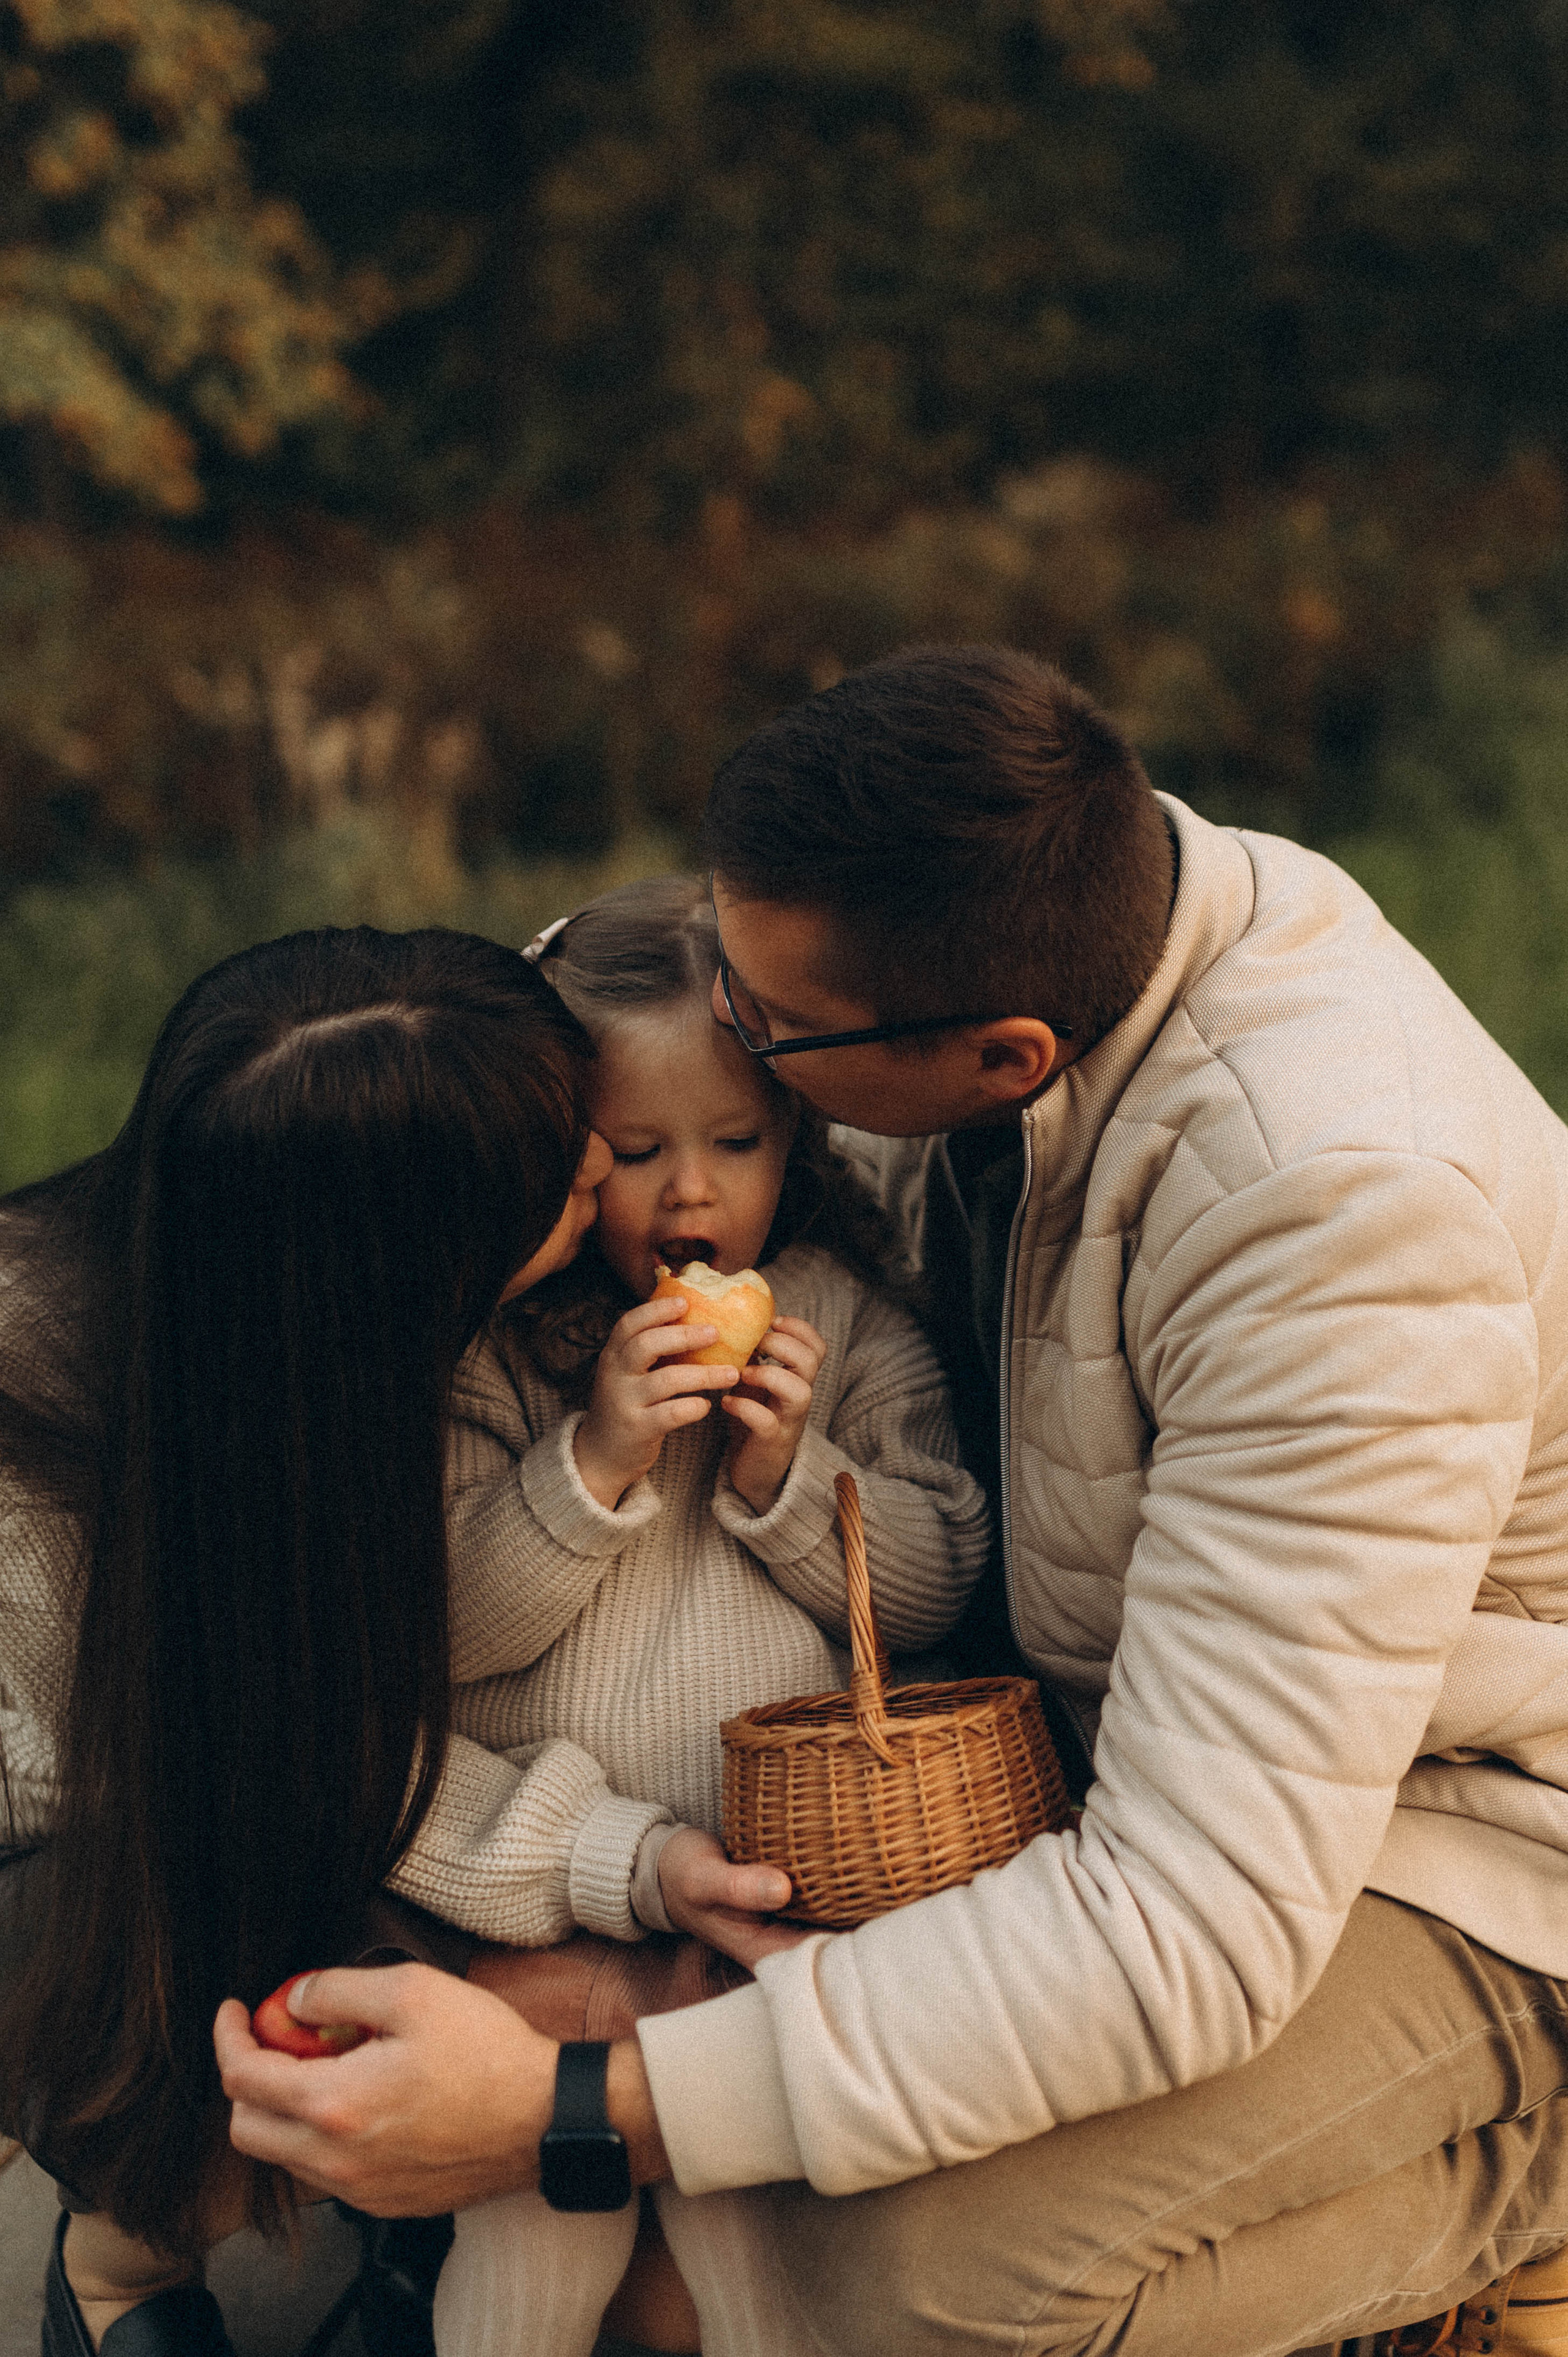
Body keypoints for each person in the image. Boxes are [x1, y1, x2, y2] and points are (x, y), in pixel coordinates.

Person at [216, 646, 1568, 2357]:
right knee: (731, 2143)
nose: (726, 1038)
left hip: (1461, 1840)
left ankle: (1518, 2178)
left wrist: (575, 2102)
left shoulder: (1340, 1228)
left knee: (884, 2282)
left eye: (764, 1039)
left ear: (1000, 1056)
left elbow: (1194, 1922)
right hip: (1112, 1750)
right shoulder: (1031, 913)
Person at [0, 923, 775, 2357]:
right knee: (264, 1986)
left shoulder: (295, 1318)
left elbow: (329, 1723)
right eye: (576, 1171)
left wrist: (631, 1870)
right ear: (413, 1266)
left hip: (239, 1775)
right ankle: (124, 2263)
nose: (615, 1183)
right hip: (71, 1840)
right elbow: (293, 1761)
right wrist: (581, 1918)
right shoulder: (55, 1468)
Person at [423, 876, 988, 2357]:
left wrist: (787, 1471)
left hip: (780, 1899)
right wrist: (594, 1457)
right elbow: (447, 1632)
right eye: (634, 1152)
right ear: (558, 1151)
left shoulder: (844, 1320)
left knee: (755, 2251)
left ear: (792, 1136)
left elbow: (940, 1582)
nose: (690, 1195)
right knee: (536, 2225)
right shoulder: (503, 1353)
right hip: (550, 1889)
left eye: (733, 1143)